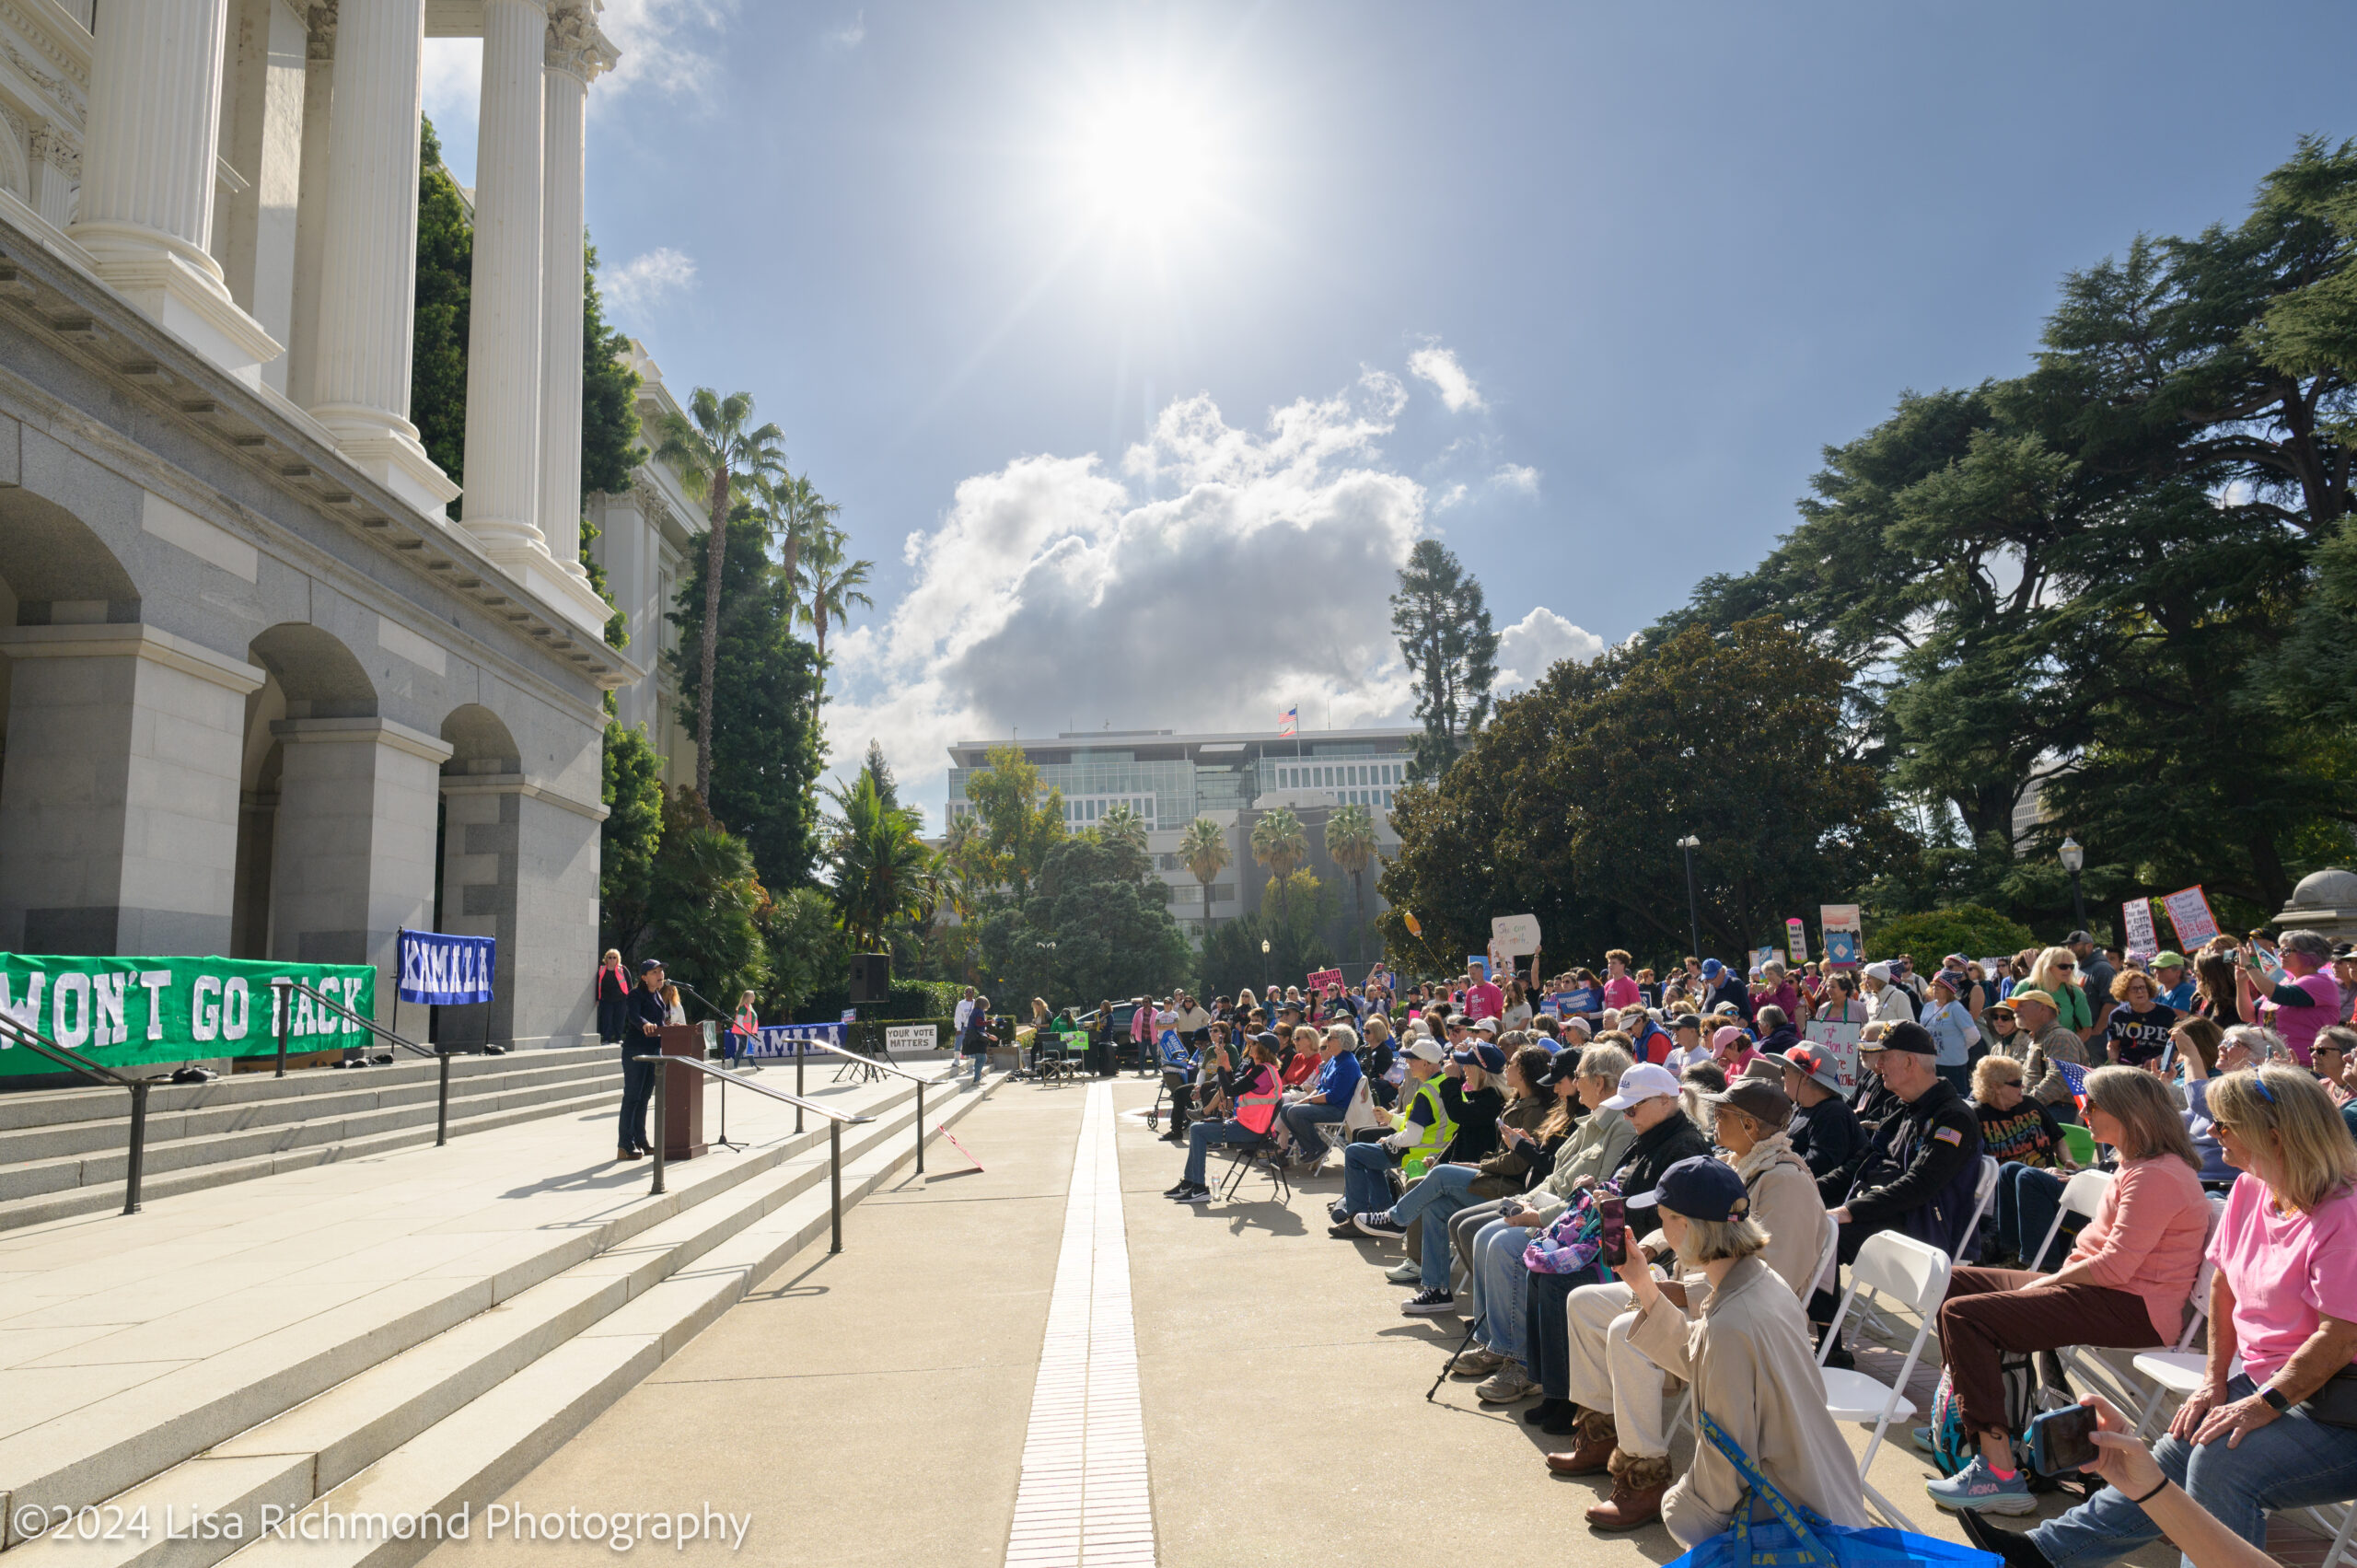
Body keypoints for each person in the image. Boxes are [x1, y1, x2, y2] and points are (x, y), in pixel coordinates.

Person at [1964, 1066, 2357, 1568]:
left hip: (2342, 1404)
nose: (2211, 1134)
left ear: (2273, 1136)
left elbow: (2340, 1336)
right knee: (2172, 1449)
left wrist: (2261, 1405)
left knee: (2219, 1466)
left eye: (2224, 1125)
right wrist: (2215, 1380)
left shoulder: (2344, 1213)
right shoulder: (2252, 1189)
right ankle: (2046, 1553)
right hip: (2273, 1381)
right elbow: (2224, 1284)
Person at [1543, 1078, 1828, 1529]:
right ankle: (1602, 1434)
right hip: (1701, 1291)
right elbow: (1688, 1215)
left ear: (1751, 1125)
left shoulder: (1785, 1181)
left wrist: (1672, 1293)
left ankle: (1646, 1473)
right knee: (1584, 1301)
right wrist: (1653, 1251)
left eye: (1725, 1113)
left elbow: (1774, 1277)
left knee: (1625, 1330)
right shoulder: (1739, 1161)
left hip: (1736, 1316)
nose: (1714, 1118)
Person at [1926, 1067, 2209, 1516]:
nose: (2084, 1112)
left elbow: (2116, 1266)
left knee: (1965, 1315)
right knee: (1951, 1280)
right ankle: (1963, 1423)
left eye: (2093, 1104)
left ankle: (1998, 1470)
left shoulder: (2157, 1175)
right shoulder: (2137, 1165)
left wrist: (2050, 1281)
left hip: (2131, 1307)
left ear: (2129, 1113)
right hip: (2107, 1293)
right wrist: (2052, 1280)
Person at [1608, 1157, 1874, 1548]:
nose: (1660, 1229)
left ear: (1686, 1227)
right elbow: (1702, 1356)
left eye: (1664, 1218)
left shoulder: (1731, 1322)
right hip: (1827, 1495)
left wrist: (1679, 1507)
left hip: (1791, 1524)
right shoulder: (1764, 1282)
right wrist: (1644, 1287)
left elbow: (1727, 1460)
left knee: (1681, 1513)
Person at [1452, 1043, 1641, 1399]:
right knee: (1481, 1235)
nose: (1570, 1084)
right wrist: (1525, 1201)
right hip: (1554, 1212)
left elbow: (1597, 1195)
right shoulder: (1592, 1121)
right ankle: (1497, 1342)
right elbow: (1556, 1176)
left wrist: (1538, 1215)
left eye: (1579, 1077)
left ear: (1600, 1083)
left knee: (1504, 1244)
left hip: (1577, 1229)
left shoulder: (1619, 1128)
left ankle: (1520, 1362)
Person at [1816, 1022, 1982, 1364]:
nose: (1878, 1067)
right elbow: (1859, 1164)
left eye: (1885, 1058)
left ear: (1910, 1063)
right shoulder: (1904, 1107)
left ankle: (1829, 1350)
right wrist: (1808, 1191)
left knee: (1820, 1234)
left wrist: (1850, 1211)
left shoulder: (1953, 1118)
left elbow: (1920, 1185)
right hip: (1887, 1211)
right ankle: (1799, 1328)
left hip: (1923, 1228)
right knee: (1798, 1216)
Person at [1335, 1035, 1449, 1242]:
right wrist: (1391, 1119)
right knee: (1366, 1155)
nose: (1408, 1063)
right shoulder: (1444, 1083)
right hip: (1435, 1150)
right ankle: (1383, 1213)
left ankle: (1356, 1219)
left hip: (1418, 1154)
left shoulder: (1427, 1092)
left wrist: (1390, 1140)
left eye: (1412, 1059)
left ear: (1425, 1063)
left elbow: (1413, 1136)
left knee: (1354, 1152)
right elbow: (1422, 1123)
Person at [1972, 1053, 2078, 1269]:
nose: (2024, 1086)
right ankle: (2015, 1256)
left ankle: (2037, 1263)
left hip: (2045, 1181)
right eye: (2017, 1083)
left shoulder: (2031, 1104)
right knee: (2013, 1173)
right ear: (1996, 1086)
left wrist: (2068, 1161)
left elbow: (2058, 1139)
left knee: (2024, 1176)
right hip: (2003, 1193)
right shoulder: (1977, 1116)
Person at [1164, 1036, 1283, 1203]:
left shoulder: (1262, 1071)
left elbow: (1230, 1091)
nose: (1250, 1044)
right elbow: (1235, 1086)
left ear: (1263, 1049)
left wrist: (1221, 1065)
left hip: (1251, 1130)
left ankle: (1198, 1187)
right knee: (1197, 1128)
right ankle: (1190, 1183)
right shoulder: (1264, 1070)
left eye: (1254, 1043)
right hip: (1251, 1127)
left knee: (1197, 1130)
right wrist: (1226, 1064)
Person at [2235, 928, 2343, 1066]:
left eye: (2286, 951)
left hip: (2307, 1065)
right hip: (2276, 1063)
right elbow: (2248, 1015)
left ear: (2308, 955)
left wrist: (2250, 966)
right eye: (2281, 950)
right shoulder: (2285, 982)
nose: (2280, 954)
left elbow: (2280, 995)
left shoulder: (2319, 982)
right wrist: (2241, 982)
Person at [1281, 1023, 1363, 1167]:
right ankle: (1310, 1148)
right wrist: (1307, 1099)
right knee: (1285, 1109)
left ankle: (1318, 1146)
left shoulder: (1348, 1064)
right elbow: (1320, 1087)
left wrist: (1308, 1100)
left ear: (1342, 1041)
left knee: (1295, 1112)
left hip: (1338, 1110)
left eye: (1330, 1038)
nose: (1326, 1039)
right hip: (1326, 1105)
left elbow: (1333, 1097)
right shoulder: (1334, 1060)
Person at [1780, 1043, 1862, 1179]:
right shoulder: (1800, 1107)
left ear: (1803, 1076)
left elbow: (1817, 1167)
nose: (1782, 1077)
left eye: (1784, 1070)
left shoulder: (1834, 1114)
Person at [2010, 987, 2089, 1124]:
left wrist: (2025, 1104)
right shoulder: (2042, 1038)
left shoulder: (2060, 1037)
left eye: (2022, 1006)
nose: (2015, 1010)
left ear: (2042, 1008)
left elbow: (2059, 1080)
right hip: (2046, 1109)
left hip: (2060, 1111)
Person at [617, 958, 668, 1160]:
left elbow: (660, 1023)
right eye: (654, 972)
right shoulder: (635, 995)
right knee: (632, 1097)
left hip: (653, 1050)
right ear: (644, 977)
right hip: (635, 1051)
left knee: (645, 1097)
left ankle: (641, 1139)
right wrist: (645, 1023)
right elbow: (634, 1016)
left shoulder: (658, 996)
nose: (659, 975)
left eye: (660, 971)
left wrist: (668, 1027)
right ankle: (624, 1144)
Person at [2101, 970, 2177, 1068]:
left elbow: (2178, 1049)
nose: (2140, 991)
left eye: (2142, 987)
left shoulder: (2167, 1014)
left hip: (2159, 1069)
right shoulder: (2117, 1015)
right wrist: (2114, 1063)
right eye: (2134, 989)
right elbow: (2113, 1046)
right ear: (2124, 991)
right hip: (2128, 1068)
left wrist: (2161, 1059)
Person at [1923, 969, 1980, 1096]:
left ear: (1949, 989)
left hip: (1953, 1064)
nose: (1935, 989)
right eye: (1933, 985)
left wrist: (1958, 1046)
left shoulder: (1956, 1008)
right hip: (1932, 1063)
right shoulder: (1928, 1006)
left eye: (1940, 986)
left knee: (1956, 1096)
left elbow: (1974, 1036)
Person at [2029, 946, 2097, 1043]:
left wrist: (2066, 1046)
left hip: (2062, 1054)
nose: (2069, 970)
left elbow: (2086, 1031)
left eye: (2072, 966)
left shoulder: (2076, 993)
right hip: (2026, 1051)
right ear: (2047, 967)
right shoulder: (2026, 987)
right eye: (2063, 967)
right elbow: (2006, 1017)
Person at [593, 948, 632, 1045]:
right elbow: (597, 985)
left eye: (614, 957)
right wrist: (597, 998)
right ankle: (606, 1039)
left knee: (619, 1019)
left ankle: (618, 1038)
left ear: (617, 959)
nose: (612, 959)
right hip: (606, 999)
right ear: (606, 959)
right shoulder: (602, 970)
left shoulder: (623, 969)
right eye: (610, 957)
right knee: (607, 1019)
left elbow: (629, 984)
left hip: (621, 999)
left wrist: (631, 998)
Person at [961, 994, 995, 1086]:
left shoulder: (974, 1011)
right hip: (977, 1039)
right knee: (982, 1058)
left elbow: (977, 1025)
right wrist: (990, 1022)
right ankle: (976, 1079)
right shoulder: (979, 1012)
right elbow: (979, 1024)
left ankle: (977, 1078)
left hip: (972, 1037)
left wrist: (988, 1034)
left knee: (980, 1058)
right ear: (984, 1005)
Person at [726, 989, 759, 1067]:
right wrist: (744, 1031)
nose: (754, 997)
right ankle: (754, 1066)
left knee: (741, 1049)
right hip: (741, 1032)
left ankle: (735, 1066)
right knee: (749, 1047)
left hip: (746, 1032)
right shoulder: (744, 1008)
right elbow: (739, 1021)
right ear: (747, 998)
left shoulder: (749, 1007)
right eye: (752, 996)